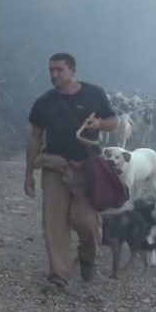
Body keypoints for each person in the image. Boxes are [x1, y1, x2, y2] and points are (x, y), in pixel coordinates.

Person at [24, 53, 117, 289]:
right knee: (53, 223)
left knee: (85, 221)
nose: (54, 75)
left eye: (59, 70)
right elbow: (35, 137)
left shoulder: (94, 94)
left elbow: (114, 122)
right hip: (54, 166)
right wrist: (28, 173)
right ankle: (59, 275)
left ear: (72, 70)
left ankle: (88, 257)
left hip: (87, 167)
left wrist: (99, 125)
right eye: (51, 70)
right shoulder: (44, 102)